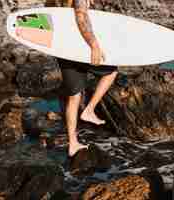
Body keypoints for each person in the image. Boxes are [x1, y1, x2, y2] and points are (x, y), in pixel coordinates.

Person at [45, 0, 118, 157]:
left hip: (63, 48)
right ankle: (89, 109)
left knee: (74, 95)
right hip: (79, 48)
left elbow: (52, 16)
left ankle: (73, 144)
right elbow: (81, 17)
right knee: (111, 72)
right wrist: (94, 45)